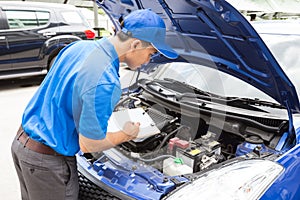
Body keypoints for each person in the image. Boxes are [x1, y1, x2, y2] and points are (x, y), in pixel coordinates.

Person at [11, 8, 178, 200]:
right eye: (152, 52)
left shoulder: (79, 47)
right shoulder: (105, 80)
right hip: (47, 162)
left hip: (23, 144)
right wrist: (127, 134)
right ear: (136, 44)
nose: (151, 59)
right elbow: (90, 144)